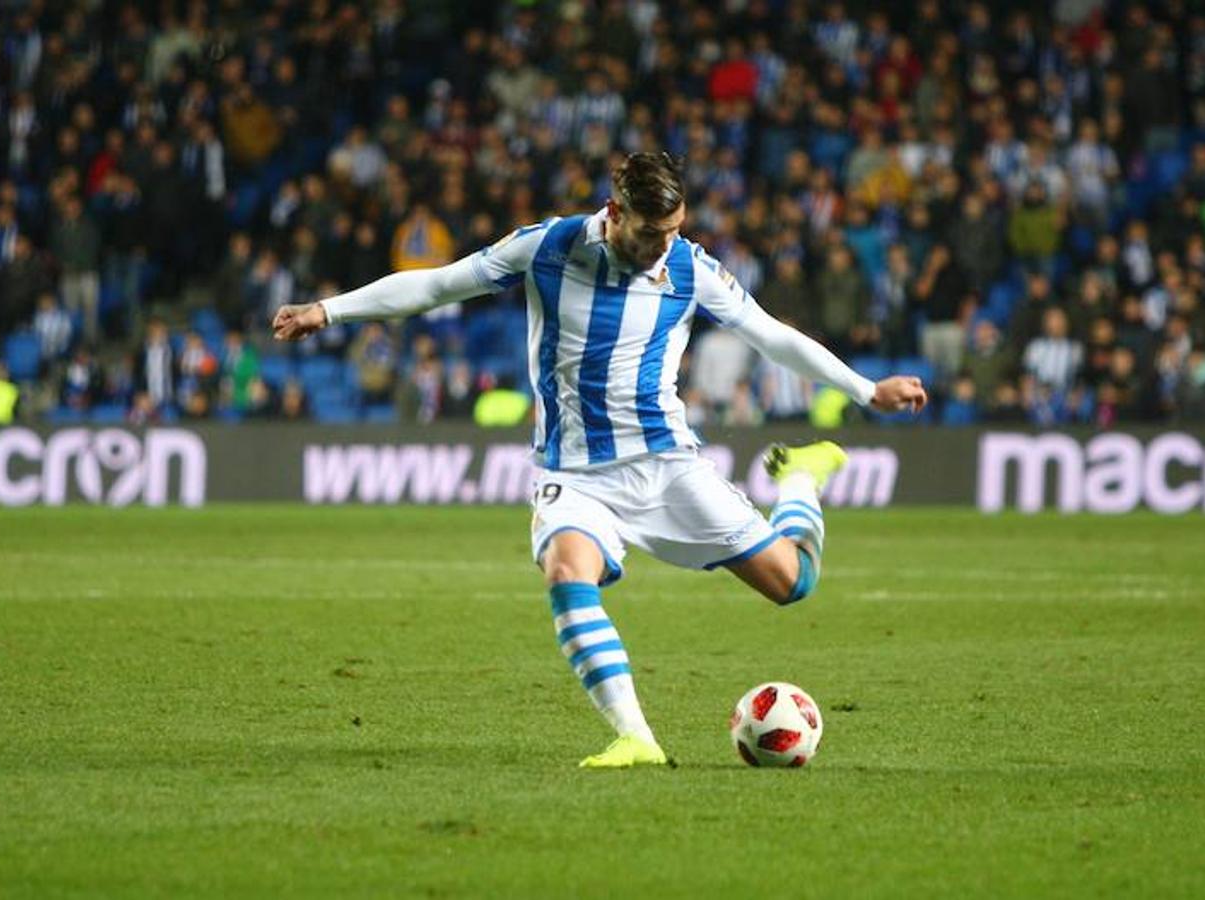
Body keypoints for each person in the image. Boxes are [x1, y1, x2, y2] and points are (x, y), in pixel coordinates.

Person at [274, 153, 925, 768]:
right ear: (613, 212)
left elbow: (769, 335)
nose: (661, 246)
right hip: (573, 470)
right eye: (649, 232)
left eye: (673, 230)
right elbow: (438, 286)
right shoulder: (547, 247)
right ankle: (635, 738)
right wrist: (328, 311)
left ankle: (800, 480)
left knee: (793, 584)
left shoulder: (690, 268)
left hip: (666, 464)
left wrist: (865, 391)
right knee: (564, 569)